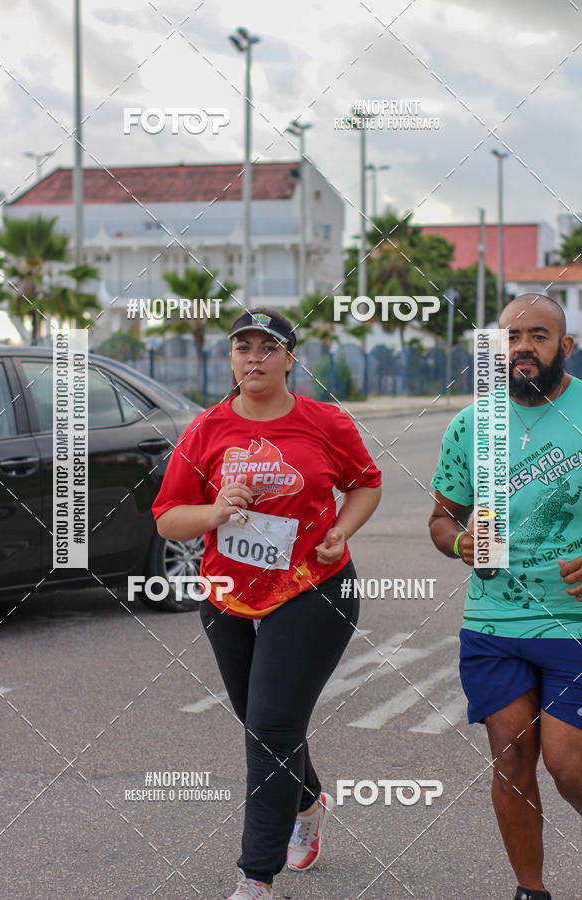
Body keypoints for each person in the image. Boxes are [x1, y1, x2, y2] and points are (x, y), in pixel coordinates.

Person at [152, 308, 382, 899]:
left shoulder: (323, 421)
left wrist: (343, 531)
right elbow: (169, 519)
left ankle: (255, 877)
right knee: (262, 725)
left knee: (271, 727)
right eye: (242, 347)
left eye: (268, 347)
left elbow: (366, 481)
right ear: (230, 359)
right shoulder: (205, 430)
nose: (254, 357)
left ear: (289, 358)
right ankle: (307, 804)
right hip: (228, 595)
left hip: (314, 588)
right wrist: (215, 511)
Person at [429, 294, 582, 900]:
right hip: (494, 620)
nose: (523, 347)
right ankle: (531, 891)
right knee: (512, 757)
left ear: (564, 347)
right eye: (511, 337)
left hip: (573, 621)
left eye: (539, 335)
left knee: (568, 762)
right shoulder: (471, 424)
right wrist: (460, 542)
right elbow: (441, 519)